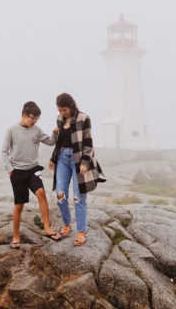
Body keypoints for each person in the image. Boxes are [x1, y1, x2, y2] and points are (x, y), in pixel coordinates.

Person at [2, 101, 62, 249]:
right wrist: (10, 170)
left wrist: (55, 133)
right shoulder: (12, 130)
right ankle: (16, 237)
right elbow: (4, 151)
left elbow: (49, 142)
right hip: (17, 172)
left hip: (33, 169)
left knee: (41, 193)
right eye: (32, 118)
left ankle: (47, 229)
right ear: (24, 115)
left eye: (37, 119)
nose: (34, 121)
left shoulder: (36, 130)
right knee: (19, 205)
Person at [49, 93, 106, 246]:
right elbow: (59, 142)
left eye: (64, 110)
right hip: (62, 158)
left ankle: (81, 232)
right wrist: (52, 158)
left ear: (71, 106)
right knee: (60, 195)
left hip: (78, 160)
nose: (62, 113)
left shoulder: (83, 118)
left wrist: (85, 162)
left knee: (78, 197)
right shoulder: (59, 119)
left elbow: (88, 142)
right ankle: (67, 224)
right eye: (59, 110)